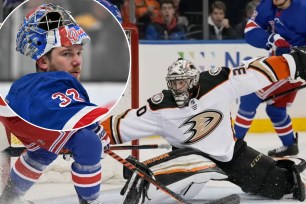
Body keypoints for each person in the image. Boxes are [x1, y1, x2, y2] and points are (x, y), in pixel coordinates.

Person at [102, 50, 306, 203]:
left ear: (193, 81)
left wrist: (293, 61)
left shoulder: (218, 83)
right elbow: (122, 124)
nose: (177, 88)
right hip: (190, 164)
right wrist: (87, 135)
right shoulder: (161, 107)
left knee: (279, 185)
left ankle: (288, 170)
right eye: (173, 83)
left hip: (232, 154)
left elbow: (254, 73)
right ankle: (146, 181)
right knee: (195, 160)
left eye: (182, 83)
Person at [0, 4, 112, 204]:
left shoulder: (32, 84)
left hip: (20, 121)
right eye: (67, 54)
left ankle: (9, 198)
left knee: (43, 151)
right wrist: (92, 129)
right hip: (20, 117)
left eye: (79, 52)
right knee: (89, 142)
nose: (77, 61)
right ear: (43, 61)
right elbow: (75, 120)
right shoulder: (50, 84)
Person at [234, 0, 306, 157]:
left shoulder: (303, 8)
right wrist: (271, 38)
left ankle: (232, 147)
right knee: (275, 108)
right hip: (278, 62)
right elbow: (251, 30)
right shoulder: (267, 5)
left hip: (296, 66)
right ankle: (289, 145)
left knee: (250, 95)